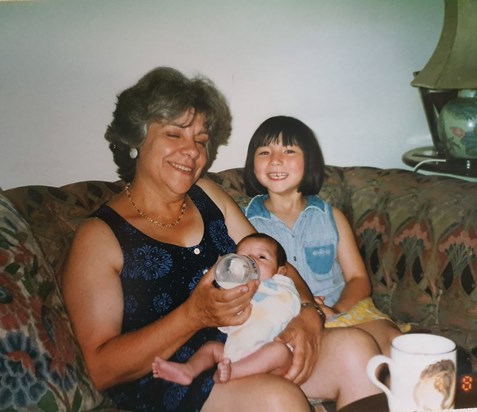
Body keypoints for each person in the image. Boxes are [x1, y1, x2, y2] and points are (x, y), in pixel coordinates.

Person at [62, 67, 381, 412]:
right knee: (279, 400)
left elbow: (276, 262)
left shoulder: (209, 195)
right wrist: (193, 316)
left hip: (246, 348)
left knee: (357, 351)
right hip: (170, 376)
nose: (192, 151)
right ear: (136, 141)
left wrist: (306, 313)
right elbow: (99, 368)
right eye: (175, 134)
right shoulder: (99, 236)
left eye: (200, 140)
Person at [243, 115, 405, 357]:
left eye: (288, 151)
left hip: (342, 311)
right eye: (264, 152)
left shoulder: (331, 217)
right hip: (284, 321)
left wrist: (335, 309)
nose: (275, 160)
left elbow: (359, 278)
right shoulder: (245, 224)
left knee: (394, 340)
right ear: (252, 162)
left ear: (309, 162)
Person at [153, 232, 300, 385]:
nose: (250, 261)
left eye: (261, 257)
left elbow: (296, 304)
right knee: (212, 348)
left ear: (280, 272)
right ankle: (188, 370)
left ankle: (234, 372)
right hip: (235, 354)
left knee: (279, 352)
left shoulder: (280, 286)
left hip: (272, 355)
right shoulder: (232, 290)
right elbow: (222, 319)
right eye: (242, 257)